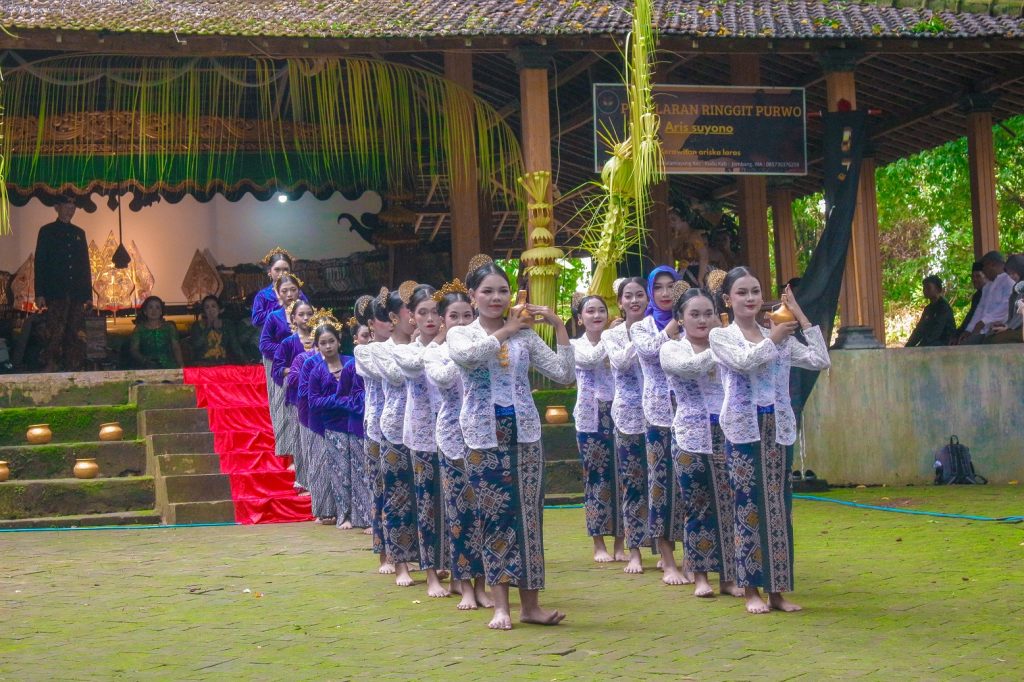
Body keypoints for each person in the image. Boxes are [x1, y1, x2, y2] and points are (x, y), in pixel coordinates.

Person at [448, 255, 574, 630]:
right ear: (472, 296)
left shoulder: (525, 335)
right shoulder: (462, 333)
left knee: (528, 519)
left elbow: (564, 373)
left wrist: (556, 324)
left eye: (503, 290)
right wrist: (506, 330)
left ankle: (531, 606)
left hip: (526, 434)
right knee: (495, 517)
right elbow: (468, 358)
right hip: (483, 437)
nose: (496, 297)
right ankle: (500, 606)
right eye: (487, 291)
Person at [709, 267, 830, 615]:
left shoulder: (777, 333)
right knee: (747, 505)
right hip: (743, 429)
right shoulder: (723, 337)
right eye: (742, 293)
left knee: (779, 507)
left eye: (756, 291)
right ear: (728, 300)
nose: (750, 298)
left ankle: (778, 591)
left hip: (778, 428)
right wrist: (775, 338)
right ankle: (749, 590)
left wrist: (799, 314)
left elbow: (821, 360)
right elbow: (746, 362)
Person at [660, 288, 742, 599]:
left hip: (727, 432)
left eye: (708, 313)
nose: (702, 320)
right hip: (689, 436)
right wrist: (723, 345)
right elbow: (691, 369)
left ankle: (729, 577)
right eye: (694, 314)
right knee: (698, 506)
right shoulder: (671, 350)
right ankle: (700, 576)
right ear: (680, 318)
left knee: (729, 505)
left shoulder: (727, 347)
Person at [424, 279, 492, 611]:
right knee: (459, 513)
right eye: (455, 317)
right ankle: (462, 584)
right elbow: (445, 380)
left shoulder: (485, 346)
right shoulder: (433, 354)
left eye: (467, 316)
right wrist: (460, 349)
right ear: (441, 320)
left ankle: (482, 585)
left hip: (482, 433)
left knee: (482, 513)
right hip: (452, 436)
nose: (463, 323)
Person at [381, 283, 451, 599]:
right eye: (422, 312)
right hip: (420, 436)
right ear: (411, 317)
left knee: (450, 505)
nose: (430, 317)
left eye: (436, 311)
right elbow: (413, 367)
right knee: (423, 504)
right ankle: (430, 572)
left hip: (451, 434)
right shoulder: (404, 350)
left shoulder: (455, 346)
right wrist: (438, 340)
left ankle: (455, 568)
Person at [629, 265, 689, 586]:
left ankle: (695, 557)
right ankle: (667, 560)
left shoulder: (693, 322)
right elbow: (650, 351)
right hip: (657, 415)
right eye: (660, 287)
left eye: (672, 287)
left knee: (691, 485)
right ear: (652, 291)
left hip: (691, 415)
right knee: (661, 484)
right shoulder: (643, 327)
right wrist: (674, 327)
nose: (666, 293)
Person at [366, 285, 421, 589]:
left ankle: (427, 558)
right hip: (394, 428)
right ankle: (399, 563)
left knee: (424, 497)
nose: (415, 316)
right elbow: (400, 375)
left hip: (425, 428)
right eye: (410, 310)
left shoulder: (426, 345)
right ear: (393, 317)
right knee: (398, 496)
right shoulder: (377, 350)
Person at [570, 293, 625, 564]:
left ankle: (620, 544)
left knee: (624, 477)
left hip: (618, 413)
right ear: (580, 319)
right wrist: (609, 338)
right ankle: (598, 543)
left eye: (601, 310)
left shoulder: (616, 342)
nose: (596, 315)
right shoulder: (574, 346)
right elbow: (591, 360)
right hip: (589, 418)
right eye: (590, 311)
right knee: (596, 479)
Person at [601, 277, 651, 575]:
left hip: (659, 415)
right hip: (628, 416)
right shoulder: (613, 335)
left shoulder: (662, 329)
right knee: (633, 484)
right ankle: (634, 551)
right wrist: (640, 337)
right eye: (628, 296)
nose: (634, 301)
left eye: (640, 295)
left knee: (660, 485)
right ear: (620, 302)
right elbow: (619, 362)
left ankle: (664, 548)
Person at [308, 315, 368, 530]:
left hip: (355, 423)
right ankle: (344, 516)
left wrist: (345, 402)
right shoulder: (316, 371)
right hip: (333, 427)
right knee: (340, 472)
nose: (328, 346)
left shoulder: (352, 364)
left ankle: (365, 517)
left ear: (339, 341)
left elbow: (359, 391)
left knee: (360, 470)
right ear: (317, 346)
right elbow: (313, 401)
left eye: (331, 341)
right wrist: (339, 401)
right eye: (323, 343)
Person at [353, 291, 396, 575]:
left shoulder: (404, 345)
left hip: (405, 427)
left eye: (394, 317)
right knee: (381, 489)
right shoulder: (364, 351)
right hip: (377, 428)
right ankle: (386, 554)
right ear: (371, 323)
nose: (390, 323)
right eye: (384, 318)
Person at [34, 197, 92, 371]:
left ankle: (74, 366)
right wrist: (40, 293)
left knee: (75, 332)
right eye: (67, 206)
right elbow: (40, 263)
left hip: (76, 292)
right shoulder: (47, 231)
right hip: (55, 291)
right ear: (57, 208)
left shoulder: (79, 233)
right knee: (54, 331)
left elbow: (84, 265)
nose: (70, 209)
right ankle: (51, 364)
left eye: (73, 206)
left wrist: (88, 296)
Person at [260, 274, 304, 457]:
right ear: (278, 294)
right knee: (284, 406)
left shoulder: (307, 312)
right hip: (283, 367)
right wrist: (286, 350)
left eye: (293, 289)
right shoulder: (274, 317)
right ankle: (288, 451)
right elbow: (264, 344)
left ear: (299, 291)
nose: (289, 294)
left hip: (304, 367)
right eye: (284, 291)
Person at [274, 301, 315, 490]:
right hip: (296, 397)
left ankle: (318, 479)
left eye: (309, 314)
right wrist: (296, 369)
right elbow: (277, 369)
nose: (306, 318)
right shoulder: (288, 343)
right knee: (299, 438)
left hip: (317, 396)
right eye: (301, 314)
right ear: (293, 319)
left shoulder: (321, 338)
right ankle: (302, 480)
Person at [962, 251, 1013, 345]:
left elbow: (1006, 306)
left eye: (984, 266)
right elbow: (980, 309)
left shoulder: (1008, 282)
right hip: (984, 331)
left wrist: (984, 321)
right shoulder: (987, 286)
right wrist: (969, 329)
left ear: (992, 264)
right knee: (963, 345)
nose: (984, 270)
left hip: (999, 329)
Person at [251, 248, 309, 328]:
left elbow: (308, 315)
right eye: (277, 270)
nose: (281, 273)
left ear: (290, 272)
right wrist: (279, 304)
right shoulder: (263, 295)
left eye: (285, 269)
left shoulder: (298, 293)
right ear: (269, 271)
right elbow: (256, 321)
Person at [130, 296, 183, 369]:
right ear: (145, 311)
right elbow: (134, 349)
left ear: (161, 311)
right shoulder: (139, 329)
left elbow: (176, 347)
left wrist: (181, 364)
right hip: (146, 366)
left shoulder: (169, 327)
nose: (154, 311)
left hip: (168, 365)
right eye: (150, 307)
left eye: (157, 307)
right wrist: (145, 361)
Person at [188, 295, 243, 365]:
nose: (211, 310)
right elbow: (196, 345)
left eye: (213, 306)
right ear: (204, 311)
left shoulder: (227, 324)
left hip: (223, 364)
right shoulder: (197, 326)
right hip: (203, 365)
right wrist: (208, 327)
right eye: (207, 307)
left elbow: (235, 346)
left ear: (219, 309)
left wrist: (247, 363)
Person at [905, 275, 956, 347]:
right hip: (931, 342)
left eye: (928, 288)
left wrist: (921, 346)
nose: (925, 290)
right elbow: (920, 329)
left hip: (944, 343)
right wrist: (909, 345)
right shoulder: (928, 309)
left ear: (938, 289)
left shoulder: (943, 308)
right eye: (924, 288)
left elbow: (936, 332)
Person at [983, 254, 1024, 344]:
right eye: (1009, 274)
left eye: (1013, 273)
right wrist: (1005, 325)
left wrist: (1008, 327)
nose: (1012, 276)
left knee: (995, 341)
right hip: (1017, 327)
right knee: (989, 336)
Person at [668, 204, 708, 288]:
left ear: (684, 220)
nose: (671, 223)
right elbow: (671, 263)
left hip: (697, 272)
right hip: (682, 275)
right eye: (669, 220)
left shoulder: (694, 236)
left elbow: (704, 257)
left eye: (674, 219)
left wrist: (700, 279)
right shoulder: (673, 240)